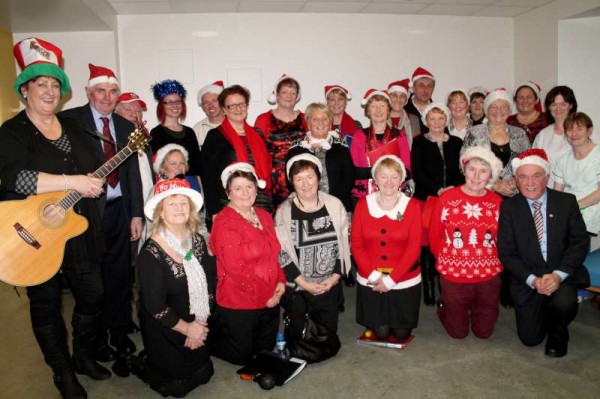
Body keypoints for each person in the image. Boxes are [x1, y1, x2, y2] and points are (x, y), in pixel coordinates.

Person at [0, 37, 108, 399]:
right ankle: (62, 373)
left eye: (54, 84)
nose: (49, 91)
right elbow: (13, 178)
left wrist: (94, 182)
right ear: (25, 90)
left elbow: (92, 172)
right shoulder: (12, 132)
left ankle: (82, 356)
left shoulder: (75, 129)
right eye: (40, 84)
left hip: (77, 228)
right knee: (45, 306)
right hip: (33, 234)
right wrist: (73, 181)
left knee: (93, 295)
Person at [61, 63, 143, 363]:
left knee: (120, 275)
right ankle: (94, 341)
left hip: (120, 210)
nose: (107, 97)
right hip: (86, 213)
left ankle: (119, 334)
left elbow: (132, 172)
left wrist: (136, 214)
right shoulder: (70, 121)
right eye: (100, 91)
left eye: (112, 91)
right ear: (88, 92)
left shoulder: (125, 126)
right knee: (92, 281)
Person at [498, 149, 590, 357]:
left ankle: (559, 335)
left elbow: (580, 242)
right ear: (516, 180)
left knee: (563, 303)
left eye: (536, 175)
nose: (530, 182)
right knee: (530, 339)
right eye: (523, 176)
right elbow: (507, 253)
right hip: (527, 279)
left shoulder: (566, 202)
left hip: (560, 275)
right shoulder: (509, 208)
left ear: (547, 177)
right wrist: (533, 280)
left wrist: (558, 275)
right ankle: (545, 313)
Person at [136, 178, 215, 397]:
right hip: (165, 326)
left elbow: (210, 283)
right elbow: (155, 306)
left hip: (197, 319)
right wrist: (188, 330)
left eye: (184, 203)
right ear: (160, 212)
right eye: (172, 204)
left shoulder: (198, 241)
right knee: (177, 387)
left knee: (205, 373)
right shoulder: (150, 254)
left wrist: (199, 324)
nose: (180, 208)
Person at [208, 163, 286, 365]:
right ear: (228, 193)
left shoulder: (265, 215)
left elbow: (273, 253)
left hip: (270, 296)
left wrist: (280, 282)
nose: (245, 193)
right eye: (238, 188)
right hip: (239, 299)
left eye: (249, 186)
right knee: (242, 358)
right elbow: (236, 270)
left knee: (265, 351)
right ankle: (207, 335)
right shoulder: (224, 223)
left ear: (256, 188)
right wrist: (268, 295)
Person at [429, 147, 504, 339]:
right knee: (458, 333)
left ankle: (476, 310)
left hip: (488, 274)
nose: (477, 176)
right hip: (454, 273)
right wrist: (447, 263)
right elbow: (435, 235)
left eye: (483, 170)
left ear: (490, 175)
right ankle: (445, 307)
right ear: (464, 169)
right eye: (472, 169)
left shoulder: (497, 202)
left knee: (484, 332)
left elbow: (503, 240)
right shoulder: (446, 199)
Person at [274, 154, 350, 335]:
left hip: (329, 285)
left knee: (327, 340)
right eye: (299, 178)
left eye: (310, 176)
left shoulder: (334, 205)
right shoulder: (285, 211)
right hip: (300, 288)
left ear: (318, 177)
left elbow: (343, 246)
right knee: (301, 342)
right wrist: (303, 283)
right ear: (292, 182)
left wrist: (333, 279)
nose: (306, 183)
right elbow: (281, 253)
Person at [351, 155, 422, 340]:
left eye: (394, 176)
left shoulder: (412, 206)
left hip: (404, 280)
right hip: (372, 281)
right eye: (383, 176)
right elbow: (356, 245)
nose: (389, 182)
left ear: (401, 179)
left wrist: (391, 280)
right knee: (381, 333)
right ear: (375, 179)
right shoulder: (362, 205)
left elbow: (414, 248)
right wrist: (374, 276)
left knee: (401, 333)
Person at [410, 102, 464, 306]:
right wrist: (437, 190)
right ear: (426, 121)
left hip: (452, 200)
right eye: (432, 119)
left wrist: (450, 189)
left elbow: (462, 170)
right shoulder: (419, 142)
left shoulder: (457, 142)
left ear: (446, 120)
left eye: (441, 118)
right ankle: (429, 285)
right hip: (427, 199)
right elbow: (418, 171)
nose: (437, 122)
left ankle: (445, 285)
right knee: (426, 243)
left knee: (446, 242)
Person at [201, 84, 272, 225]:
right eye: (231, 106)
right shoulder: (215, 136)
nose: (238, 109)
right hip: (228, 206)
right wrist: (214, 211)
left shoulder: (258, 134)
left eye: (241, 104)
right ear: (223, 110)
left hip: (261, 204)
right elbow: (207, 177)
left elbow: (267, 170)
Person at [461, 88, 530, 198]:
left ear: (509, 110)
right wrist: (494, 184)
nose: (499, 111)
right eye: (494, 107)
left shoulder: (520, 134)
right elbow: (463, 165)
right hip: (481, 193)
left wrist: (515, 181)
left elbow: (528, 164)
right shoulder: (474, 133)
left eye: (503, 107)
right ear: (487, 110)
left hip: (514, 195)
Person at [287, 103, 355, 212]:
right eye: (315, 119)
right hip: (306, 208)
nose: (320, 122)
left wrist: (331, 202)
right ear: (308, 123)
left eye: (325, 118)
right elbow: (290, 181)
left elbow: (349, 178)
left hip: (339, 207)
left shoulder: (341, 145)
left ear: (330, 123)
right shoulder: (296, 147)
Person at [254, 74, 308, 207]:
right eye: (284, 92)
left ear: (297, 97)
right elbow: (257, 152)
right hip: (273, 181)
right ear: (277, 95)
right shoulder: (263, 119)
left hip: (301, 178)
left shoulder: (306, 118)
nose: (289, 96)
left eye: (292, 92)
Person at [350, 89, 411, 203]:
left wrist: (380, 172)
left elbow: (407, 170)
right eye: (373, 106)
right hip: (364, 196)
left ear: (388, 110)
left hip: (394, 194)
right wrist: (383, 171)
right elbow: (354, 171)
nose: (378, 110)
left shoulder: (399, 136)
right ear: (367, 111)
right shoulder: (359, 136)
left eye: (382, 106)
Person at [553, 112, 600, 235]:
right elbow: (557, 194)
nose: (574, 134)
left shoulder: (598, 155)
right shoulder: (562, 160)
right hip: (570, 215)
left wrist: (573, 207)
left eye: (579, 129)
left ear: (589, 131)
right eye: (570, 129)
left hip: (591, 214)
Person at [149, 79, 202, 176]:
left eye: (178, 101)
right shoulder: (156, 133)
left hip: (192, 184)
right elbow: (158, 168)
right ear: (161, 106)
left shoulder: (190, 132)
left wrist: (200, 189)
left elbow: (198, 166)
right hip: (170, 185)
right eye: (169, 102)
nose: (174, 105)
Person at [115, 92, 154, 216]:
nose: (134, 114)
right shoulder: (112, 142)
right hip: (125, 210)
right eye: (128, 109)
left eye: (138, 110)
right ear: (115, 113)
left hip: (149, 205)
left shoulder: (145, 138)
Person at [532, 86, 579, 187]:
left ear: (570, 105)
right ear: (549, 107)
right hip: (549, 191)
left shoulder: (581, 132)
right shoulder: (543, 135)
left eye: (563, 104)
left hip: (576, 190)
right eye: (554, 104)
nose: (558, 108)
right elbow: (535, 165)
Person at [192, 80, 225, 150]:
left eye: (214, 101)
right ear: (202, 106)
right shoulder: (197, 129)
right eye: (206, 102)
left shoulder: (234, 124)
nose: (211, 106)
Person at [387, 79, 420, 147]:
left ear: (406, 99)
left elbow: (417, 147)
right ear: (389, 98)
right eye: (394, 95)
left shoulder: (414, 120)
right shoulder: (381, 118)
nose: (398, 99)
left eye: (402, 96)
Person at [404, 66, 436, 134]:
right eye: (421, 86)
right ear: (413, 88)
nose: (425, 90)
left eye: (429, 86)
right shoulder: (404, 110)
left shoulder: (439, 111)